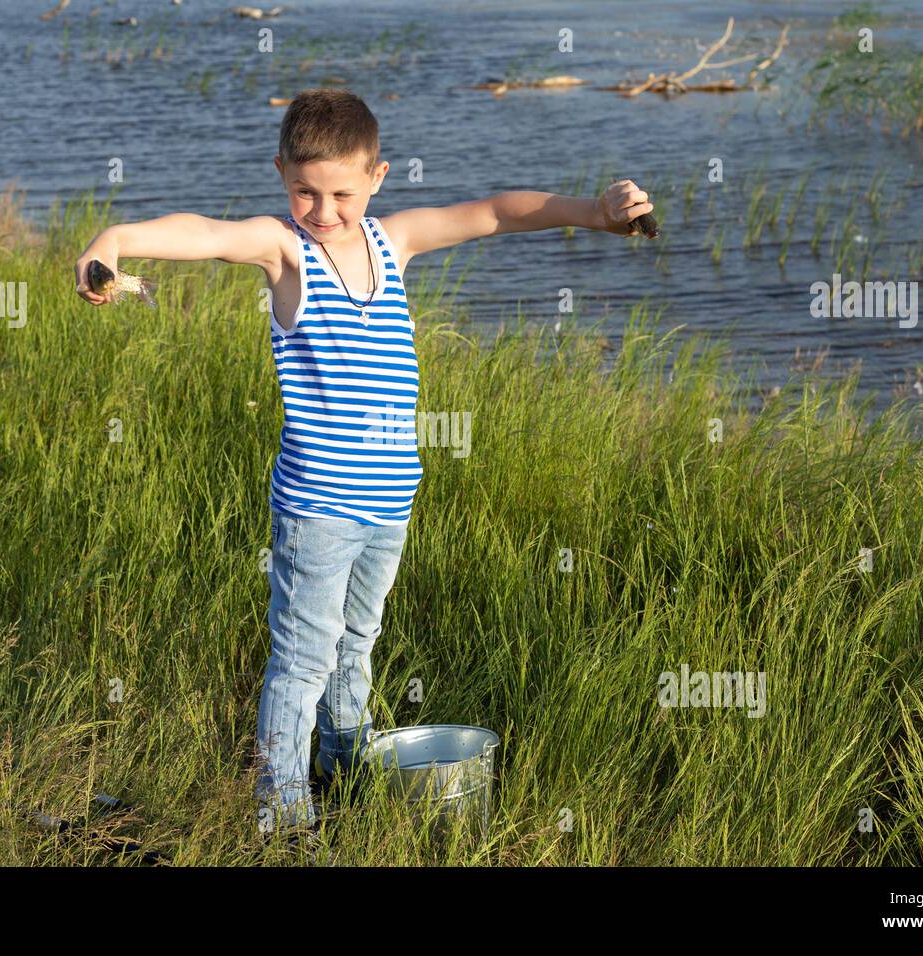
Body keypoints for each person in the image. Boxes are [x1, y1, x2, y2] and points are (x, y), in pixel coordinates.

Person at [74, 87, 654, 838]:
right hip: (317, 507)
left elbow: (498, 212)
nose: (323, 210)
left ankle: (341, 768)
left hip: (389, 499)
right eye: (304, 191)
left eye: (341, 193)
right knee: (303, 660)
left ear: (377, 178)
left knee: (358, 643)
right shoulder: (284, 249)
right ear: (282, 174)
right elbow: (206, 232)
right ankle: (281, 818)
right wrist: (115, 238)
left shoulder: (393, 241)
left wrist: (594, 211)